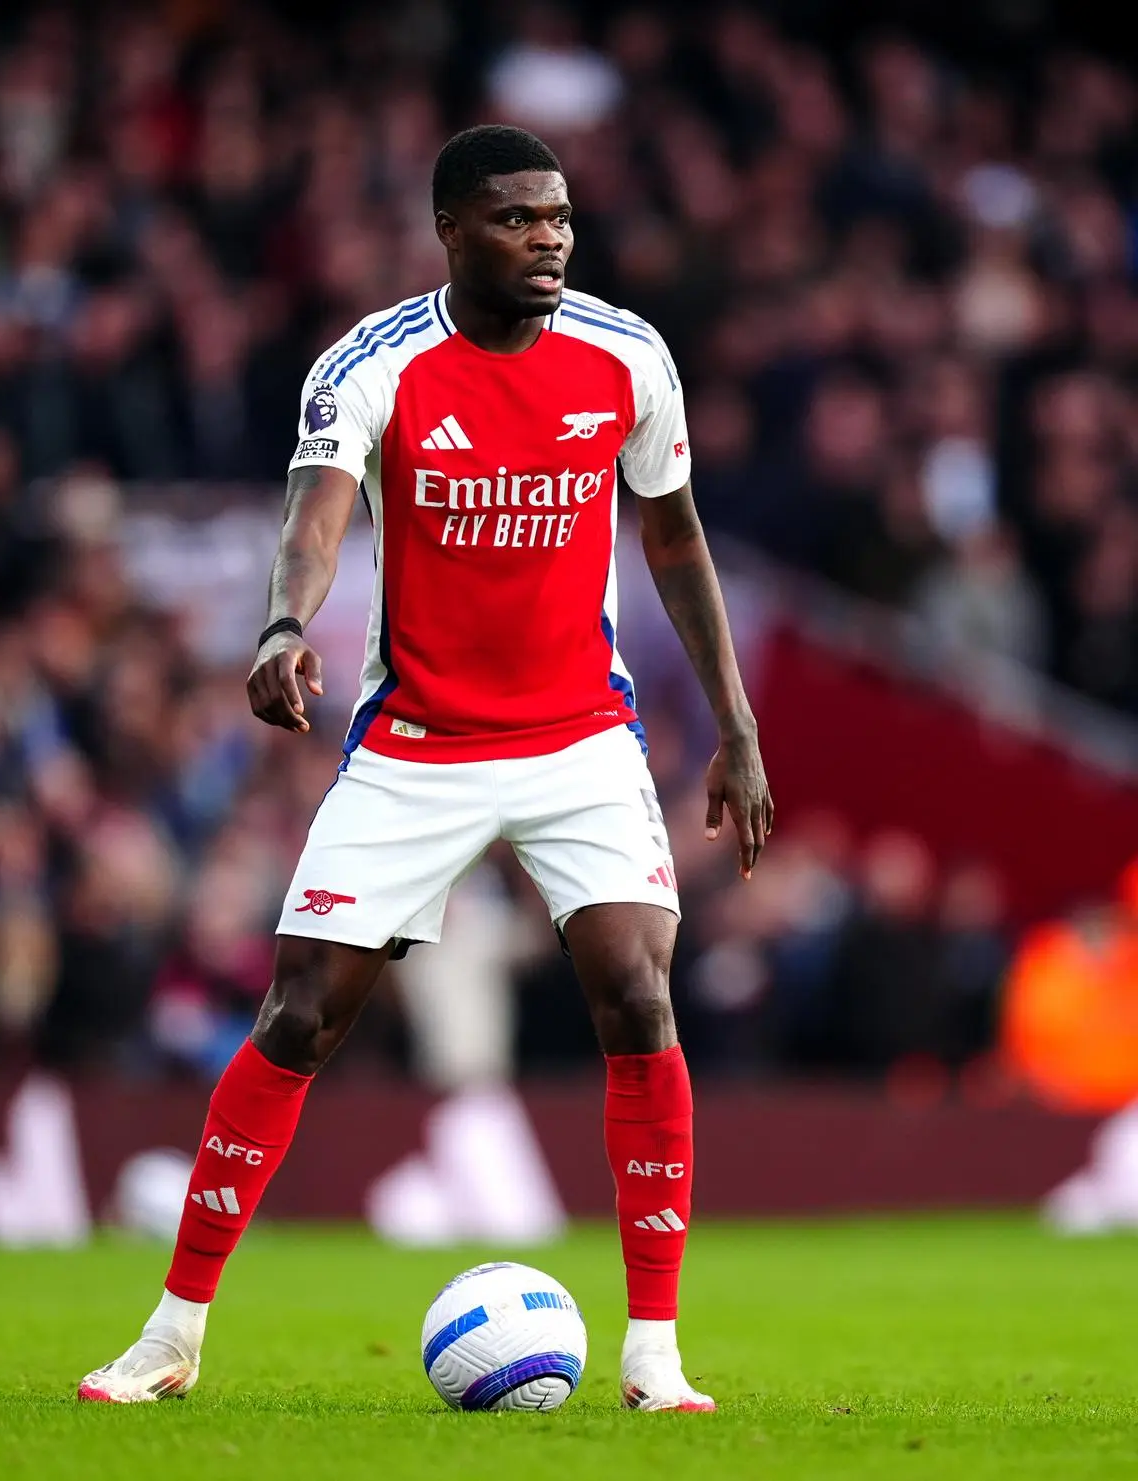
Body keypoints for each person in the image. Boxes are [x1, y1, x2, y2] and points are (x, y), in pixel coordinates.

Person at [79, 125, 772, 1413]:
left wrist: (733, 723)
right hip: (421, 743)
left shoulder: (629, 356)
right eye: (517, 219)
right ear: (451, 230)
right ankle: (171, 1336)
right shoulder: (376, 364)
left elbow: (674, 541)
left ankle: (657, 1358)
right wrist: (285, 625)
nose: (549, 238)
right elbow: (316, 511)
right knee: (300, 1014)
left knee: (637, 989)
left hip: (581, 737)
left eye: (560, 216)